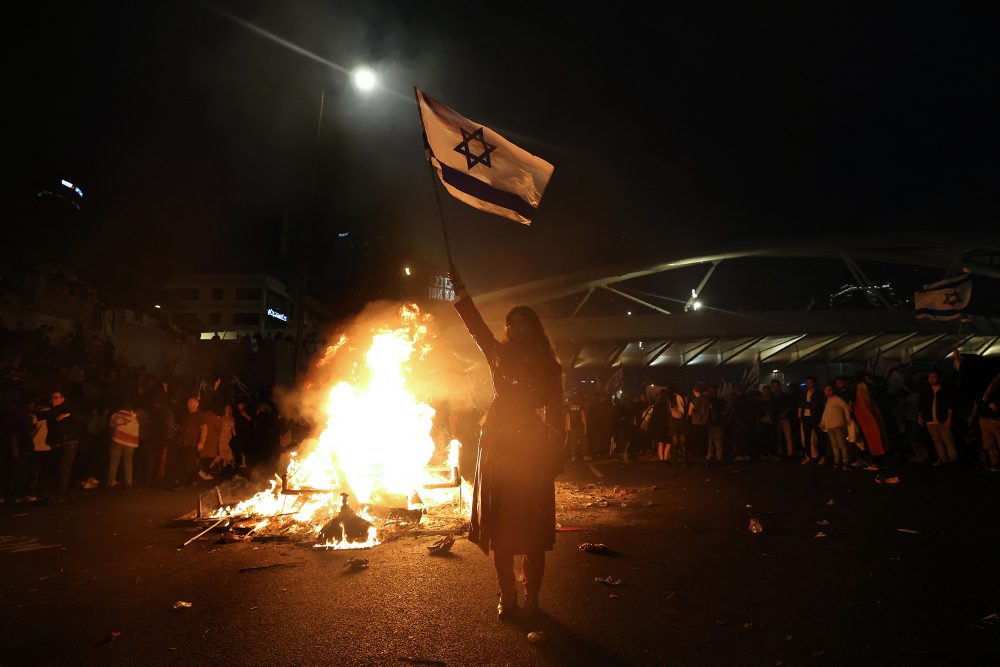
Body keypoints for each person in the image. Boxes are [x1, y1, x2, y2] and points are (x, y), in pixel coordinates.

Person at [451, 270, 563, 623]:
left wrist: (554, 454)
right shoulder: (498, 353)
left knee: (533, 527)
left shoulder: (549, 366)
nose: (518, 330)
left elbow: (558, 415)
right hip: (497, 442)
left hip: (531, 442)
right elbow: (476, 327)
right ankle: (508, 595)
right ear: (508, 329)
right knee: (500, 526)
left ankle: (532, 597)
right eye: (512, 325)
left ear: (535, 329)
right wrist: (461, 293)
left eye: (524, 324)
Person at [854, 371, 898, 483]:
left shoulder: (864, 393)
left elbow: (863, 411)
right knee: (881, 443)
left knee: (876, 444)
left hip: (871, 424)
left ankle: (881, 465)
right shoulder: (872, 392)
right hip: (878, 422)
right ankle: (884, 463)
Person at [918, 369, 958, 466]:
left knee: (948, 440)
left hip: (942, 419)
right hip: (930, 419)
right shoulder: (926, 390)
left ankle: (953, 459)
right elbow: (922, 404)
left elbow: (950, 406)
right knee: (937, 441)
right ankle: (943, 458)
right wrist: (920, 416)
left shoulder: (944, 390)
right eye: (929, 377)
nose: (931, 379)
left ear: (939, 378)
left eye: (933, 377)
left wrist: (949, 419)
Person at [107, 399, 139, 489]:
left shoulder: (116, 415)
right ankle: (128, 483)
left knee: (114, 463)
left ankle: (110, 483)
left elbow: (111, 427)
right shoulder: (134, 419)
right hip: (130, 444)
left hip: (117, 441)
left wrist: (112, 437)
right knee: (128, 463)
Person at [820, 383, 851, 468]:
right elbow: (825, 413)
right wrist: (822, 422)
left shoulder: (837, 399)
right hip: (830, 426)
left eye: (829, 389)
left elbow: (846, 408)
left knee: (841, 444)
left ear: (833, 390)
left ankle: (845, 460)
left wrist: (848, 419)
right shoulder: (828, 400)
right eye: (826, 390)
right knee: (834, 445)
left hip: (838, 426)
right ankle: (837, 460)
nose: (827, 391)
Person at [798, 376, 824, 463]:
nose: (808, 384)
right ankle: (808, 456)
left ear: (814, 383)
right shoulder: (804, 393)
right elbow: (801, 405)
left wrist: (808, 405)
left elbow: (819, 405)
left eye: (810, 382)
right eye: (807, 382)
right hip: (806, 418)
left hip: (815, 417)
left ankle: (822, 456)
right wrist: (801, 416)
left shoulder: (819, 393)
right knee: (807, 438)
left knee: (820, 437)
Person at [705, 386, 725, 463]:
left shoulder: (710, 400)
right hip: (717, 423)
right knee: (717, 440)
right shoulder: (720, 401)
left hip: (713, 423)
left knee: (712, 440)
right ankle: (718, 456)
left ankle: (712, 454)